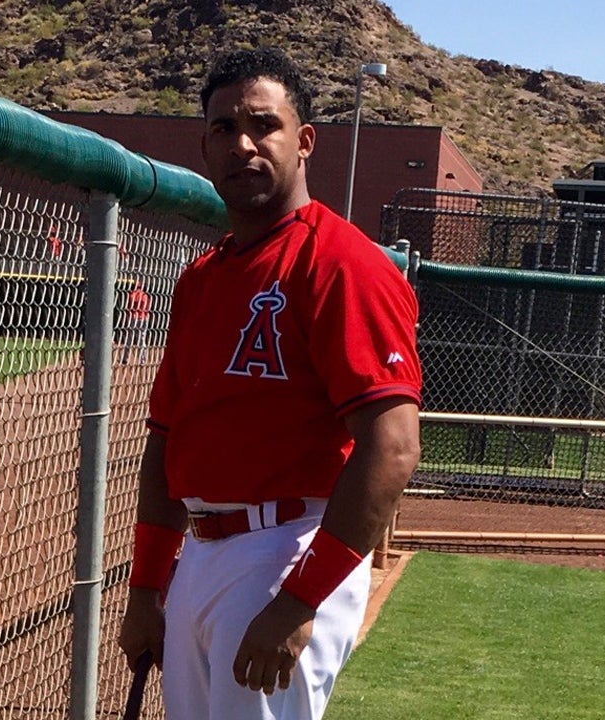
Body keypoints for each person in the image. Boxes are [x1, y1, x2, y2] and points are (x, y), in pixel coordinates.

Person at [118, 48, 422, 720]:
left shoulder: (342, 264)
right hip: (200, 556)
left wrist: (298, 599)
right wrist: (146, 589)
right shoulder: (201, 279)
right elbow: (166, 441)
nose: (243, 143)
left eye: (264, 125)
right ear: (205, 144)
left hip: (286, 549)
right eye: (224, 128)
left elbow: (393, 447)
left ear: (304, 140)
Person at [120, 280, 152, 365]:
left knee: (129, 338)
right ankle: (142, 360)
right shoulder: (145, 296)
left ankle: (125, 358)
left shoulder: (131, 295)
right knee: (142, 339)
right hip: (143, 318)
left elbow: (128, 308)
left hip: (133, 317)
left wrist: (127, 318)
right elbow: (147, 309)